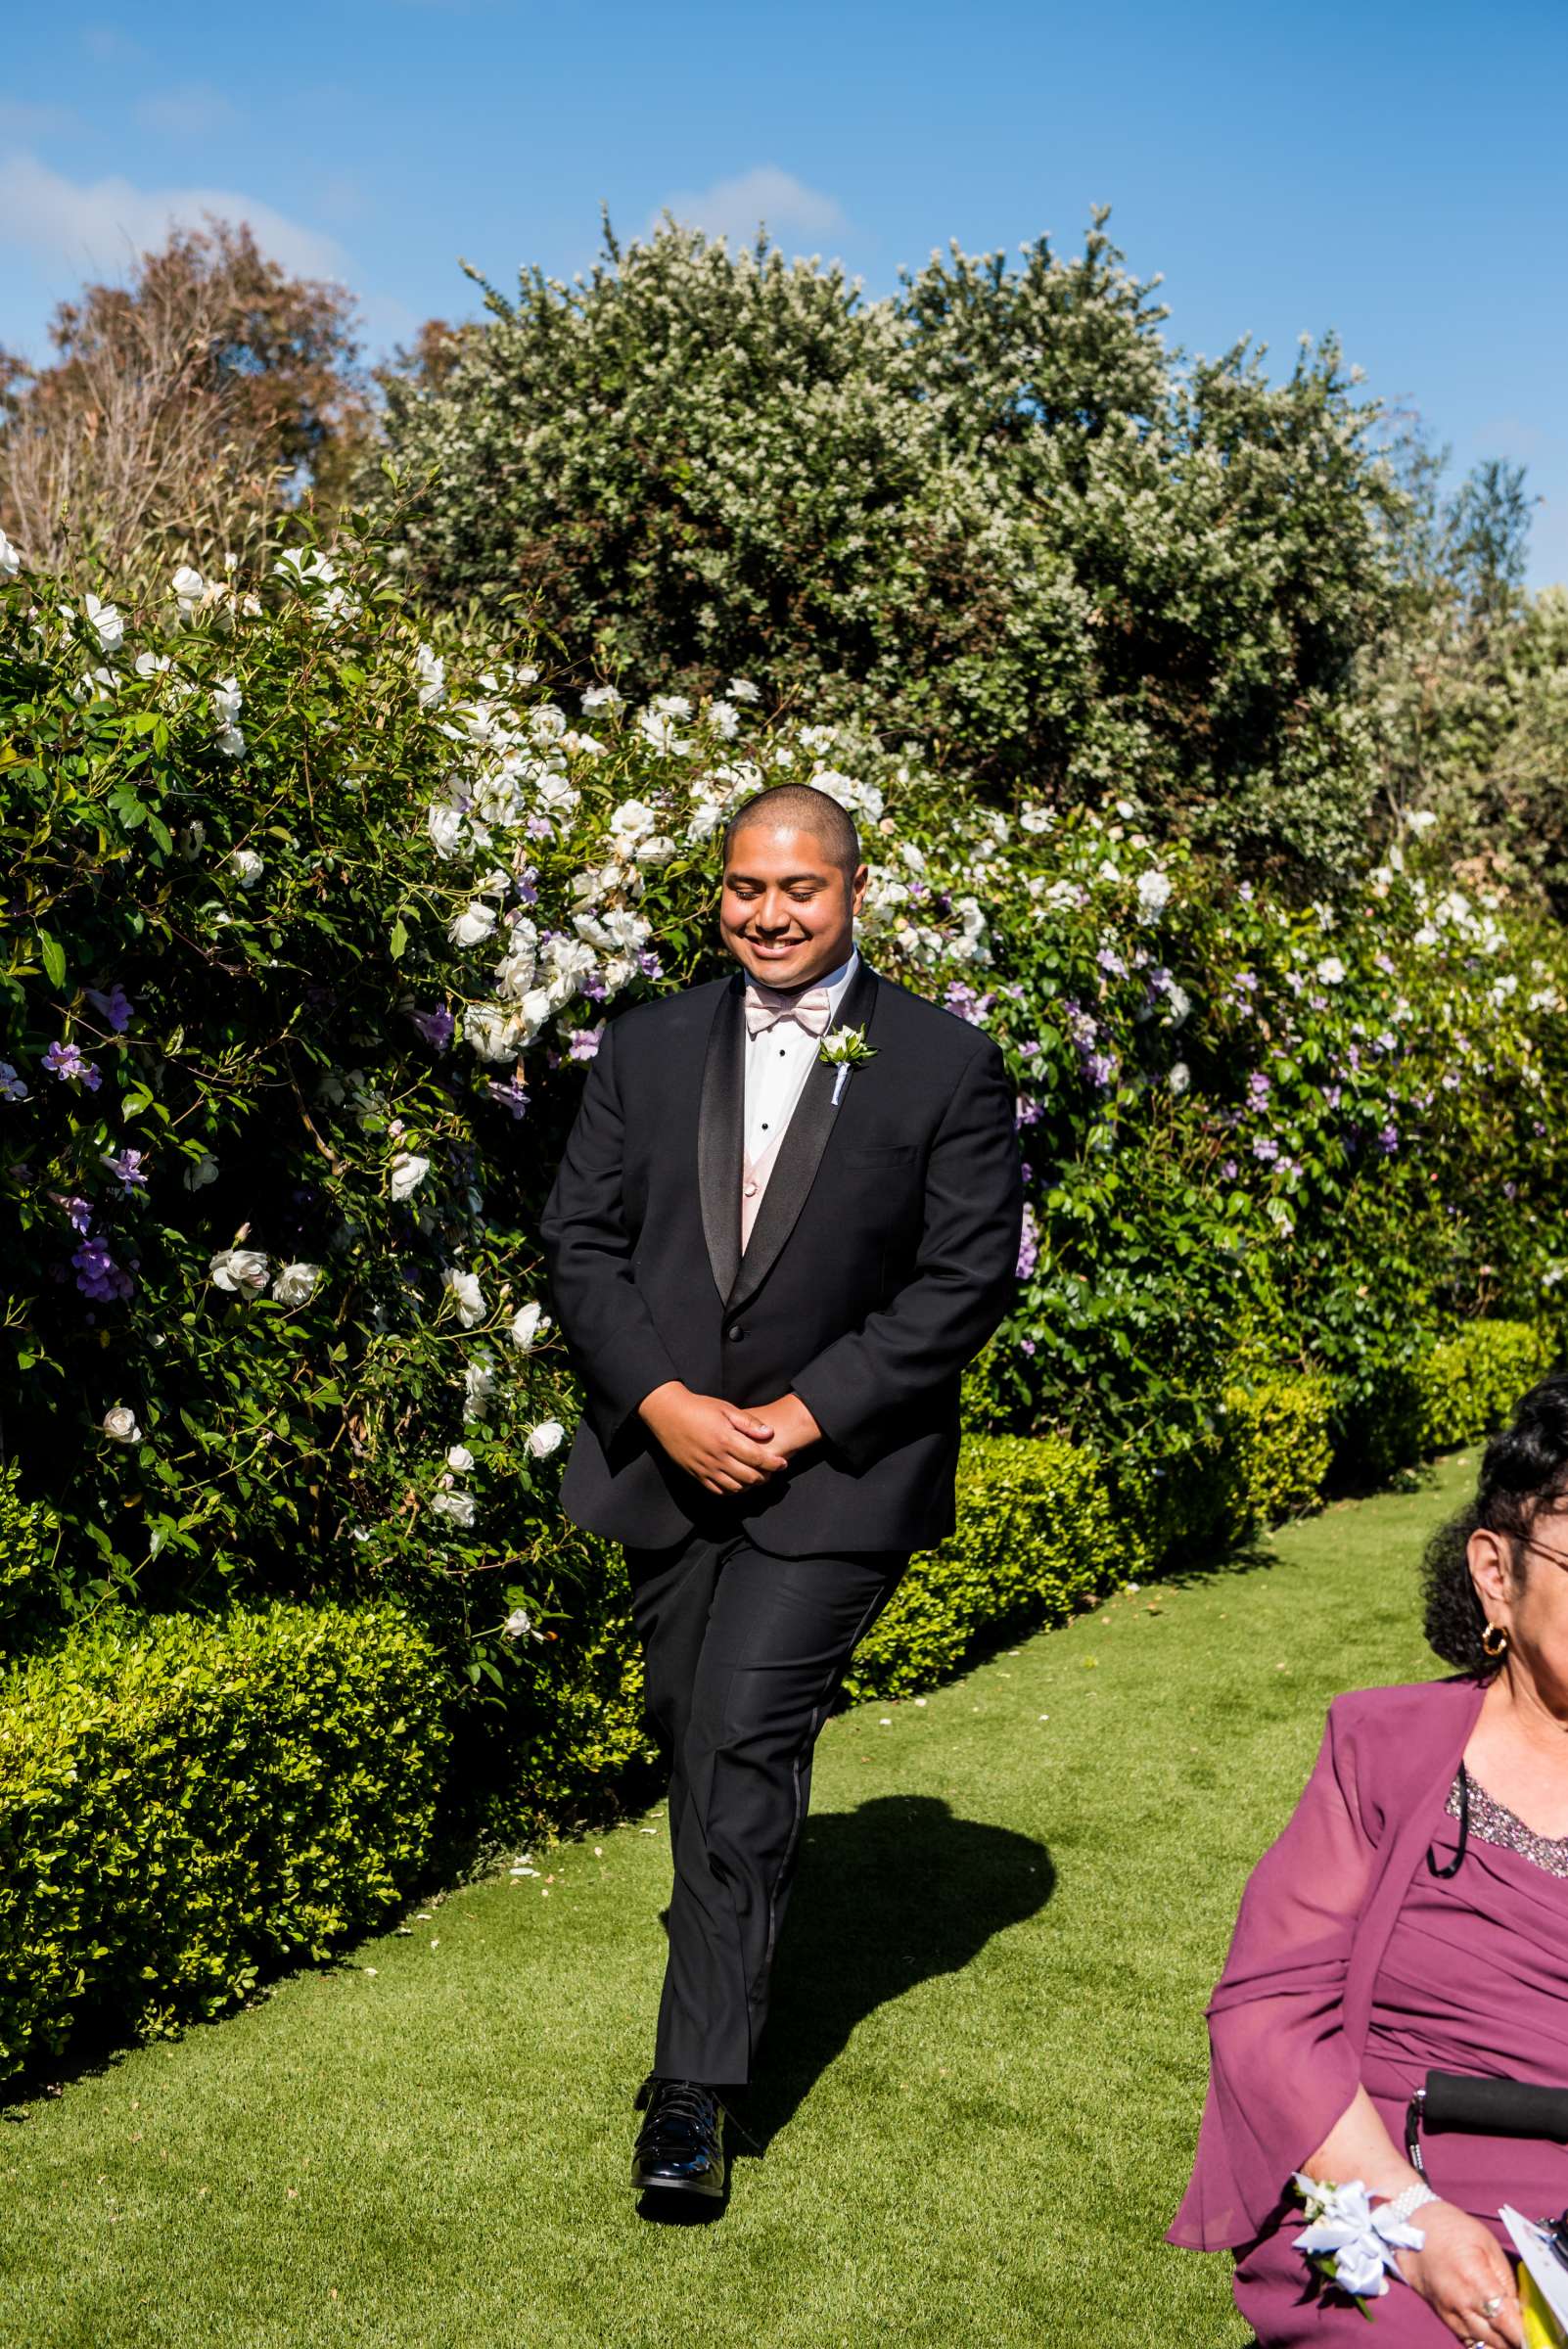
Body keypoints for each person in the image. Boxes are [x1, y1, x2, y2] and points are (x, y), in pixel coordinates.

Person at [539, 780, 1022, 2211]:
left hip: (837, 1480)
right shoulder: (645, 1044)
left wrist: (806, 1416)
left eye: (798, 890)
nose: (769, 913)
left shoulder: (945, 1063)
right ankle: (725, 1968)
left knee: (746, 1735)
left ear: (854, 890)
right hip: (666, 1463)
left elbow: (962, 1281)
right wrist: (668, 1408)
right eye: (746, 888)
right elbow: (579, 1245)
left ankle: (692, 2095)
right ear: (721, 893)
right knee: (697, 1736)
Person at [1169, 1374, 1568, 2346]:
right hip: (1397, 2172)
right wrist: (1413, 2216)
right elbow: (1270, 2009)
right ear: (1495, 1572)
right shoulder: (1384, 1748)